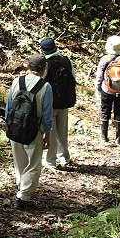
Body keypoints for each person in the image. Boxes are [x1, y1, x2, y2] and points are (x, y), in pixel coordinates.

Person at [6, 54, 53, 209]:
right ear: (44, 68)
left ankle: (21, 184)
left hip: (14, 126)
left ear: (28, 66)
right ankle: (23, 195)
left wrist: (9, 125)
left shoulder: (16, 82)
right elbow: (47, 114)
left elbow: (8, 107)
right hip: (34, 129)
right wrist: (48, 133)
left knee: (19, 161)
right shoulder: (45, 87)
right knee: (34, 163)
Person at [39, 37, 75, 169]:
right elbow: (73, 78)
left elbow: (41, 81)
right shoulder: (66, 60)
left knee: (51, 132)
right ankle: (64, 157)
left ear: (43, 50)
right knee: (62, 131)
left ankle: (50, 161)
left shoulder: (46, 64)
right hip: (65, 101)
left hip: (51, 103)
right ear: (55, 47)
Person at [94, 35, 120, 144]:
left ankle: (104, 136)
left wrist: (98, 88)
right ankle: (118, 137)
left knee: (105, 111)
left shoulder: (105, 59)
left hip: (106, 90)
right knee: (119, 112)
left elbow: (99, 76)